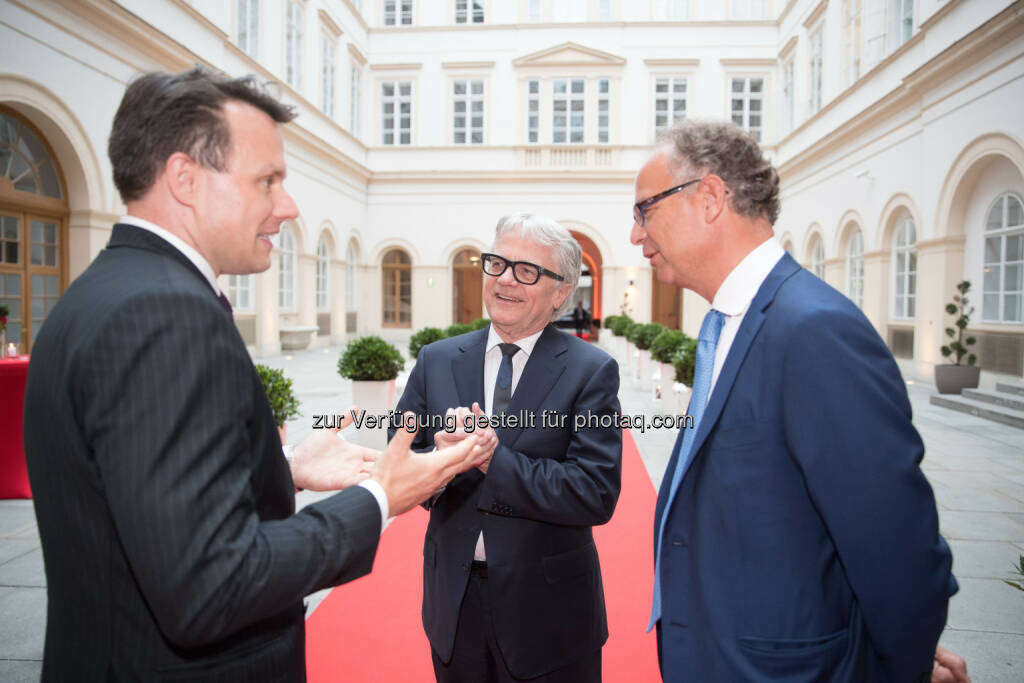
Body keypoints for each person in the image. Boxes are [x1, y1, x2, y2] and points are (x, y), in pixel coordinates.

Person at [23, 67, 486, 682]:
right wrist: (379, 498)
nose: (286, 206)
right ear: (184, 179)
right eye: (267, 181)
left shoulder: (108, 289)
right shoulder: (165, 314)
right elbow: (208, 586)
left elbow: (139, 492)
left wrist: (283, 466)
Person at [632, 120, 965, 682]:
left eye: (645, 210)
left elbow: (895, 549)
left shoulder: (813, 329)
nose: (637, 236)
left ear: (710, 197)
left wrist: (898, 666)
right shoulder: (731, 323)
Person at [390, 213, 622, 682]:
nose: (505, 280)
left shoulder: (591, 371)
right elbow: (400, 464)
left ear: (561, 292)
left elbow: (594, 492)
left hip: (551, 615)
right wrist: (440, 461)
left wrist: (493, 458)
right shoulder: (436, 361)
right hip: (453, 605)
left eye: (527, 271)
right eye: (497, 264)